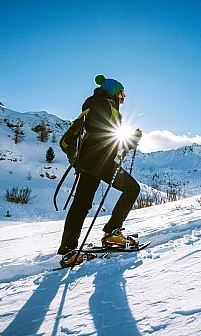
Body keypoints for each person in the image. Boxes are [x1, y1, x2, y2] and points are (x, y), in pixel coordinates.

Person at [57, 74, 142, 259]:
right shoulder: (106, 106)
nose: (122, 98)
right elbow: (107, 138)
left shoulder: (92, 106)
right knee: (132, 188)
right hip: (99, 160)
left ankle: (68, 248)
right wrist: (130, 141)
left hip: (87, 162)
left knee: (81, 204)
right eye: (121, 94)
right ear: (113, 92)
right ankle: (112, 232)